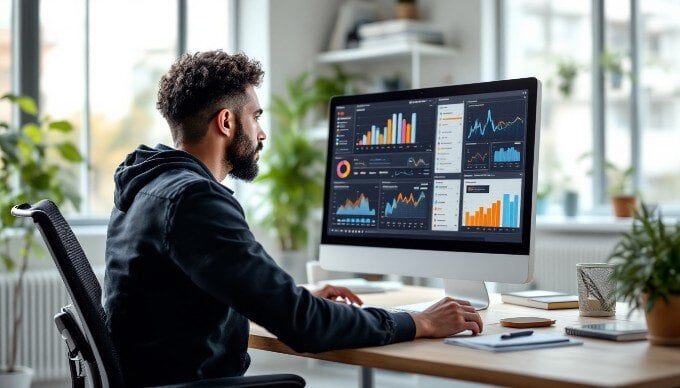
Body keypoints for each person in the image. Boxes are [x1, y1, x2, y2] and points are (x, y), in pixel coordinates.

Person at [104, 50, 483, 387]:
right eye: (255, 117)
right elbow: (305, 327)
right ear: (226, 122)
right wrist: (419, 322)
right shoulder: (194, 199)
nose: (262, 133)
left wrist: (290, 299)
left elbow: (183, 299)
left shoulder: (146, 184)